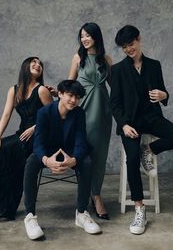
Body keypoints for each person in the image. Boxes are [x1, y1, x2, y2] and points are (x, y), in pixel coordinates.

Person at [110, 25, 173, 235]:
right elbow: (114, 103)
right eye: (124, 47)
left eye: (131, 44)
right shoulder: (116, 70)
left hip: (152, 118)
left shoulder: (154, 65)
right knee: (132, 158)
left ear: (139, 39)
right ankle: (139, 208)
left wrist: (165, 96)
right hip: (130, 123)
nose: (128, 49)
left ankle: (150, 149)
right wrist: (124, 125)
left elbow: (162, 93)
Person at [0, 56, 53, 224]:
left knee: (0, 157)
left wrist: (35, 127)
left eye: (40, 64)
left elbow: (54, 117)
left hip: (39, 138)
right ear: (25, 67)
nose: (38, 65)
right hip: (21, 135)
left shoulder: (42, 91)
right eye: (34, 63)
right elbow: (6, 114)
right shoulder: (14, 90)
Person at [23, 80, 102, 240]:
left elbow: (80, 141)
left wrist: (73, 160)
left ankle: (81, 213)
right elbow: (38, 143)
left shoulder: (79, 113)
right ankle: (30, 216)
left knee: (86, 162)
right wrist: (46, 160)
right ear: (59, 94)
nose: (74, 100)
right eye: (70, 95)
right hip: (49, 151)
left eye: (77, 97)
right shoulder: (44, 113)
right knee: (31, 162)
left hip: (70, 150)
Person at [68, 22, 112, 220]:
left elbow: (117, 87)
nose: (84, 39)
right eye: (82, 36)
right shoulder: (78, 58)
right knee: (85, 153)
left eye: (88, 35)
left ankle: (96, 195)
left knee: (100, 156)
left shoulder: (106, 59)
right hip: (83, 111)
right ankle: (86, 194)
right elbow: (70, 85)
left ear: (96, 37)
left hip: (103, 111)